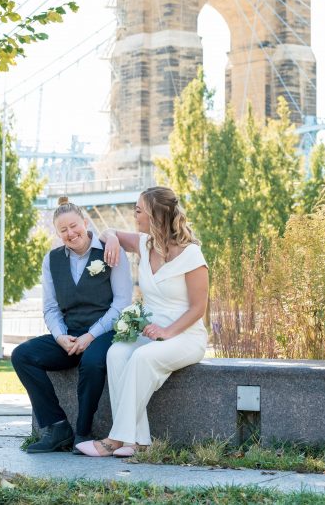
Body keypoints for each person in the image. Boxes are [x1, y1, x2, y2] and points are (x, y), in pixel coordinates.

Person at [75, 186, 209, 457]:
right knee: (116, 353)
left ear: (156, 215)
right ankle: (139, 441)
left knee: (141, 358)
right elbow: (107, 232)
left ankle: (114, 438)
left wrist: (168, 331)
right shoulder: (143, 243)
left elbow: (198, 308)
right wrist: (112, 239)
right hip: (151, 332)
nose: (134, 215)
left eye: (138, 211)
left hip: (186, 336)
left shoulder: (191, 254)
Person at [11, 197, 132, 453]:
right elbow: (51, 308)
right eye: (63, 230)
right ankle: (57, 427)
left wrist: (91, 335)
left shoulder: (110, 250)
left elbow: (121, 303)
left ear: (85, 222)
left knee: (92, 362)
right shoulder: (51, 259)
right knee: (22, 355)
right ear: (57, 233)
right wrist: (60, 336)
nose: (70, 233)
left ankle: (83, 432)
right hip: (69, 335)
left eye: (74, 226)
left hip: (104, 333)